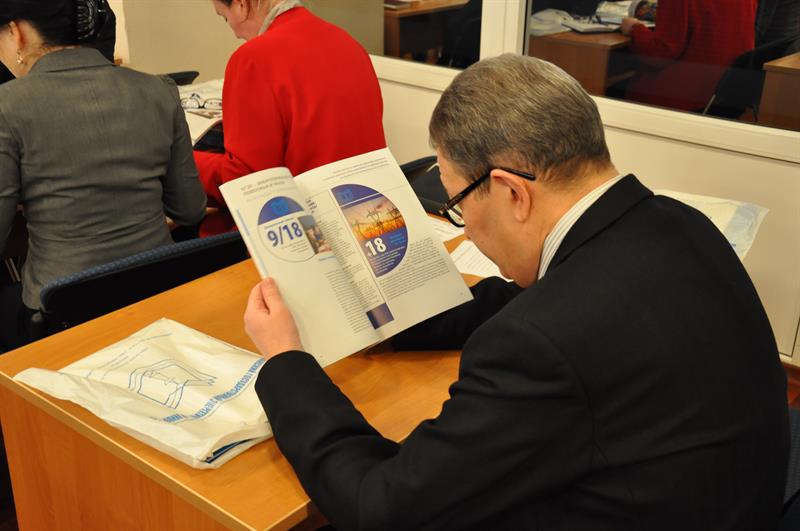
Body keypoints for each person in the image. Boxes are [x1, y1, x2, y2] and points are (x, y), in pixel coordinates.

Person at [243, 54, 788, 530]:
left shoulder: (540, 344)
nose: (466, 226)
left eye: (458, 205)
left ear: (511, 192)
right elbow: (537, 300)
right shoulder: (674, 222)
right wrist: (392, 319)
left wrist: (288, 362)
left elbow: (379, 505)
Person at [0, 0, 207, 350]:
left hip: (64, 312)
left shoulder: (7, 105)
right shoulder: (158, 90)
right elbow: (189, 209)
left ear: (16, 32)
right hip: (159, 290)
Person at [196, 0, 386, 236]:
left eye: (225, 18)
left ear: (242, 5)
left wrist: (186, 161)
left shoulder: (252, 58)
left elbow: (248, 183)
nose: (234, 33)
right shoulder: (348, 42)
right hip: (369, 220)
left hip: (308, 231)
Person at [621, 0, 758, 111]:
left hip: (683, 94)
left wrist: (635, 28)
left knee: (615, 87)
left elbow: (661, 52)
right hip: (724, 91)